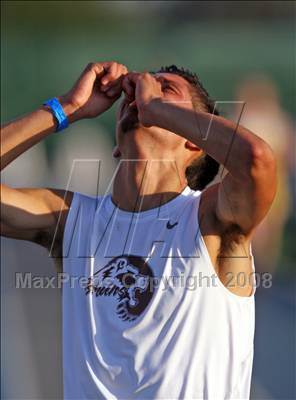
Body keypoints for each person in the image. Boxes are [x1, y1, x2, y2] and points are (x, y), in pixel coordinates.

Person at [1, 61, 276, 399]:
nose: (139, 95)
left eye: (166, 88)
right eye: (138, 93)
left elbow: (257, 161)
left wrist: (155, 109)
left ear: (194, 143)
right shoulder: (72, 219)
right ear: (116, 145)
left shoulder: (211, 220)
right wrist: (66, 108)